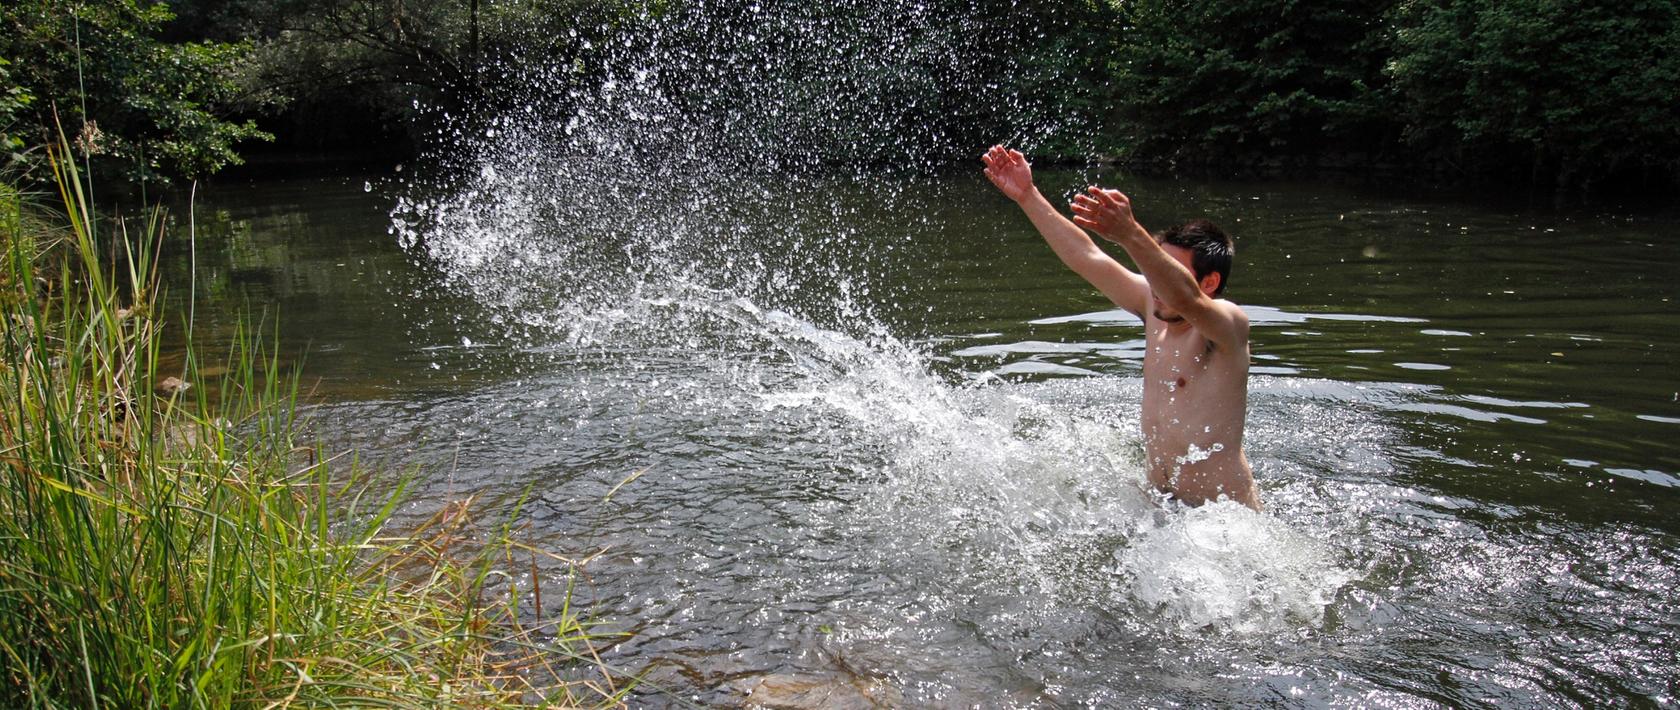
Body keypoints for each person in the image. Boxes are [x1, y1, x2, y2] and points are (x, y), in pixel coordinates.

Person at [981, 145, 1260, 510]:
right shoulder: (1153, 305)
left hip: (1223, 521)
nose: (1154, 282)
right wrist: (1027, 196)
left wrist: (1130, 235)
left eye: (1165, 270)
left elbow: (1187, 300)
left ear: (1208, 283)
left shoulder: (1227, 327)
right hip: (1159, 505)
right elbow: (1087, 257)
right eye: (1153, 269)